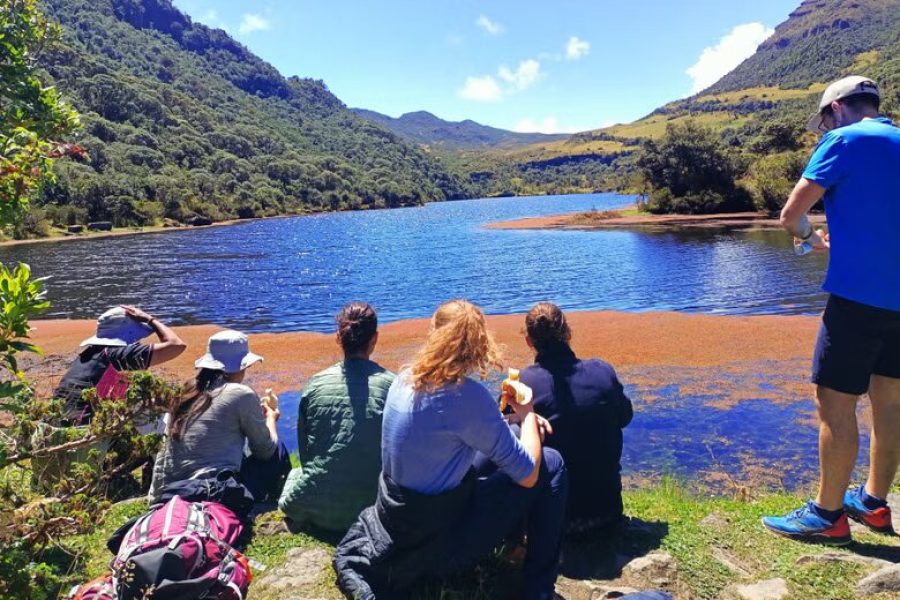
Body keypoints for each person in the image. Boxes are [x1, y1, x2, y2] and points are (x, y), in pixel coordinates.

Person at [334, 299, 567, 600]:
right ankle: (538, 590)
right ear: (479, 344)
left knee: (513, 434)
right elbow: (528, 476)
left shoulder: (404, 379)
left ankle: (513, 545)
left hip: (399, 520)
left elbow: (451, 429)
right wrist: (527, 412)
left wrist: (519, 422)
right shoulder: (466, 396)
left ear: (433, 333)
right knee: (552, 463)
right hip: (440, 540)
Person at [763, 76, 900, 545]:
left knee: (835, 404)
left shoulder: (842, 140)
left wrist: (807, 236)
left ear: (837, 109)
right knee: (891, 402)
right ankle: (875, 503)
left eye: (823, 119)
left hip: (857, 299)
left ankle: (827, 515)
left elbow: (790, 214)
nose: (823, 128)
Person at [517, 302, 633, 536]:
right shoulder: (602, 371)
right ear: (568, 333)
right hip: (607, 513)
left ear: (529, 341)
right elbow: (625, 416)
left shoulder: (522, 385)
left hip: (556, 522)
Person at [278, 302, 395, 532]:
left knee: (295, 475)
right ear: (375, 339)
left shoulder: (315, 383)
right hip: (376, 509)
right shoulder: (392, 385)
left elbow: (306, 453)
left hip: (320, 511)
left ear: (338, 338)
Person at [149, 330, 291, 504]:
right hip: (210, 492)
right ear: (239, 367)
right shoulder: (241, 393)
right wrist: (270, 419)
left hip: (167, 493)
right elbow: (265, 451)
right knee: (279, 450)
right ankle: (276, 501)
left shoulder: (187, 390)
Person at [54, 305, 186, 424]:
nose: (139, 342)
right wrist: (150, 319)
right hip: (83, 428)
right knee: (164, 418)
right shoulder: (117, 355)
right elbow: (176, 345)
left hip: (58, 422)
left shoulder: (89, 354)